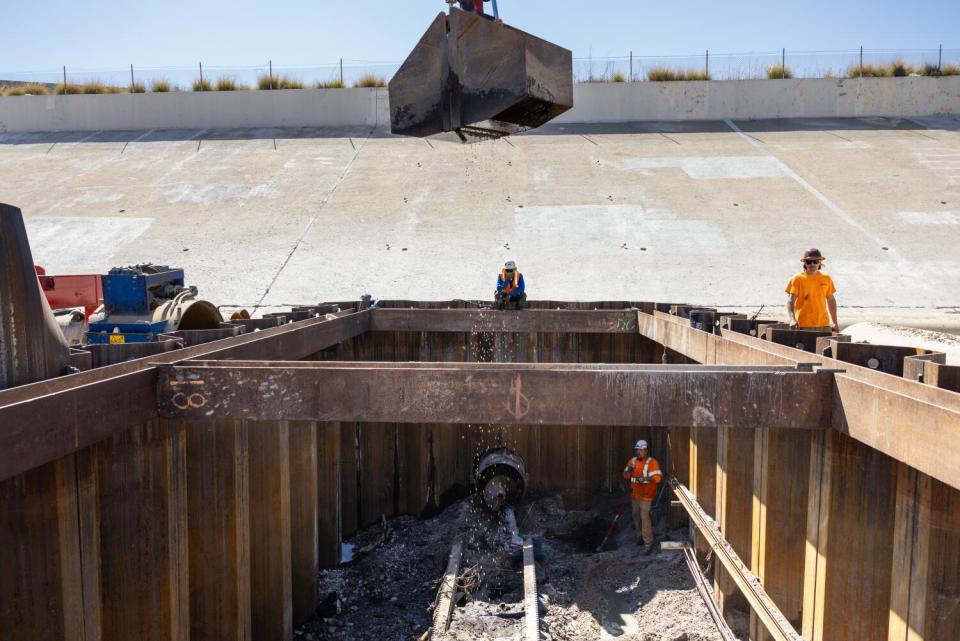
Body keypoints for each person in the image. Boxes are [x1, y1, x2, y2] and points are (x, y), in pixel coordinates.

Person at [623, 439, 662, 554]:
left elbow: (658, 477)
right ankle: (639, 536)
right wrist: (631, 468)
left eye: (641, 450)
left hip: (646, 495)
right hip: (635, 495)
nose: (638, 452)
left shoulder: (652, 462)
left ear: (646, 450)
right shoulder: (632, 461)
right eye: (637, 450)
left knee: (644, 516)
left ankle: (648, 544)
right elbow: (625, 475)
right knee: (635, 515)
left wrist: (645, 479)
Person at [785, 248, 838, 332]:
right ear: (804, 263)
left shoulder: (826, 278)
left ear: (820, 262)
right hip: (803, 325)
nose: (812, 264)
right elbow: (790, 300)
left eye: (815, 261)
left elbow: (831, 300)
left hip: (824, 325)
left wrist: (834, 322)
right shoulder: (797, 279)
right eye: (809, 262)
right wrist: (792, 319)